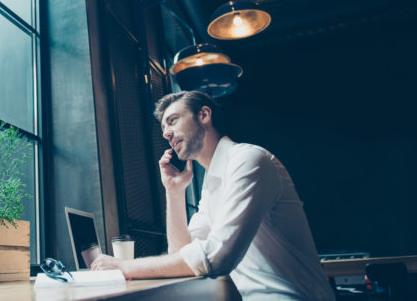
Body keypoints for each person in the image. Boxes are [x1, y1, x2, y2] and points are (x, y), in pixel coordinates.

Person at [91, 90, 334, 300]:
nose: (166, 133)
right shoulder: (212, 183)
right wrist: (174, 193)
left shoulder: (248, 160)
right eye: (164, 128)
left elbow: (216, 258)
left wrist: (124, 266)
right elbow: (182, 254)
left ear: (204, 115)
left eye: (173, 121)